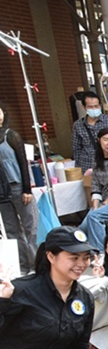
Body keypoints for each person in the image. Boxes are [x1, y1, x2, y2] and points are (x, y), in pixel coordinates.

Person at [0, 103, 36, 272]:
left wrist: (27, 189)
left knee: (30, 228)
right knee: (11, 231)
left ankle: (37, 264)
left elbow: (23, 163)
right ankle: (23, 266)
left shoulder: (11, 135)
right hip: (1, 193)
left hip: (18, 187)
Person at [71, 91, 108, 174]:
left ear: (100, 106)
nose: (94, 109)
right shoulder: (78, 125)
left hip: (107, 164)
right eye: (90, 107)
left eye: (96, 106)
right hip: (87, 166)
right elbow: (76, 148)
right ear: (84, 107)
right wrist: (78, 168)